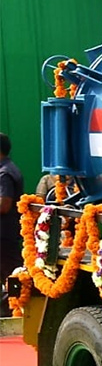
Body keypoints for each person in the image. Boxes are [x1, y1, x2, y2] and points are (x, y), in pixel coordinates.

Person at [0, 132, 26, 317]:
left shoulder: (4, 172)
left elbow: (4, 204)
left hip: (4, 235)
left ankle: (13, 313)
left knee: (11, 275)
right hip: (6, 234)